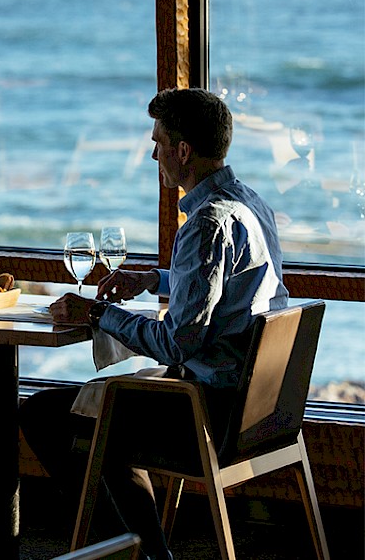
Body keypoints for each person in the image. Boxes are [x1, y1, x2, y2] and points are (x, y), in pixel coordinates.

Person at [19, 88, 289, 560]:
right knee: (110, 412)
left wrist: (98, 313)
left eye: (157, 141)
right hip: (261, 410)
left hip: (210, 414)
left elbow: (176, 344)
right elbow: (232, 285)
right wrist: (154, 278)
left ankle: (127, 551)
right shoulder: (249, 203)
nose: (152, 153)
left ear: (182, 151)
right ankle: (143, 550)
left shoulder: (205, 222)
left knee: (45, 415)